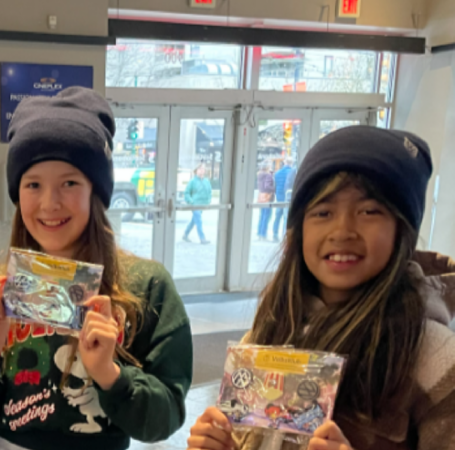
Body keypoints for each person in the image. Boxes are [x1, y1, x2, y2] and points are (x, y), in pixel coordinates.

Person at [0, 87, 194, 450]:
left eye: (70, 183)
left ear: (97, 190)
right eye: (33, 184)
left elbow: (165, 418)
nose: (50, 203)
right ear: (18, 192)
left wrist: (110, 374)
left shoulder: (146, 286)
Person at [187, 126, 455, 450]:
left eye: (369, 211)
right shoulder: (270, 329)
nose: (342, 230)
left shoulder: (435, 358)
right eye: (322, 212)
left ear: (403, 230)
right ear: (298, 230)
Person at [182, 164, 212, 245]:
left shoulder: (206, 181)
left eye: (203, 168)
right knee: (198, 220)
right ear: (196, 170)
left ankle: (185, 234)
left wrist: (208, 201)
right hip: (195, 205)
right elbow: (187, 193)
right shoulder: (192, 181)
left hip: (203, 205)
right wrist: (191, 201)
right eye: (200, 168)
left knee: (194, 221)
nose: (202, 170)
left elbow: (209, 192)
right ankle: (202, 238)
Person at [272, 157, 296, 241]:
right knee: (287, 217)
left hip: (279, 196)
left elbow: (275, 186)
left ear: (285, 163)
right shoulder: (293, 172)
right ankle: (285, 235)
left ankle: (274, 233)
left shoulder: (277, 173)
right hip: (288, 197)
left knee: (278, 216)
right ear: (291, 163)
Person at [256, 163, 275, 241]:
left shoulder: (259, 175)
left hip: (261, 197)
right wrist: (273, 189)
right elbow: (267, 186)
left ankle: (259, 233)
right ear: (267, 167)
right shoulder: (268, 175)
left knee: (262, 216)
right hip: (267, 197)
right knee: (266, 216)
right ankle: (263, 235)